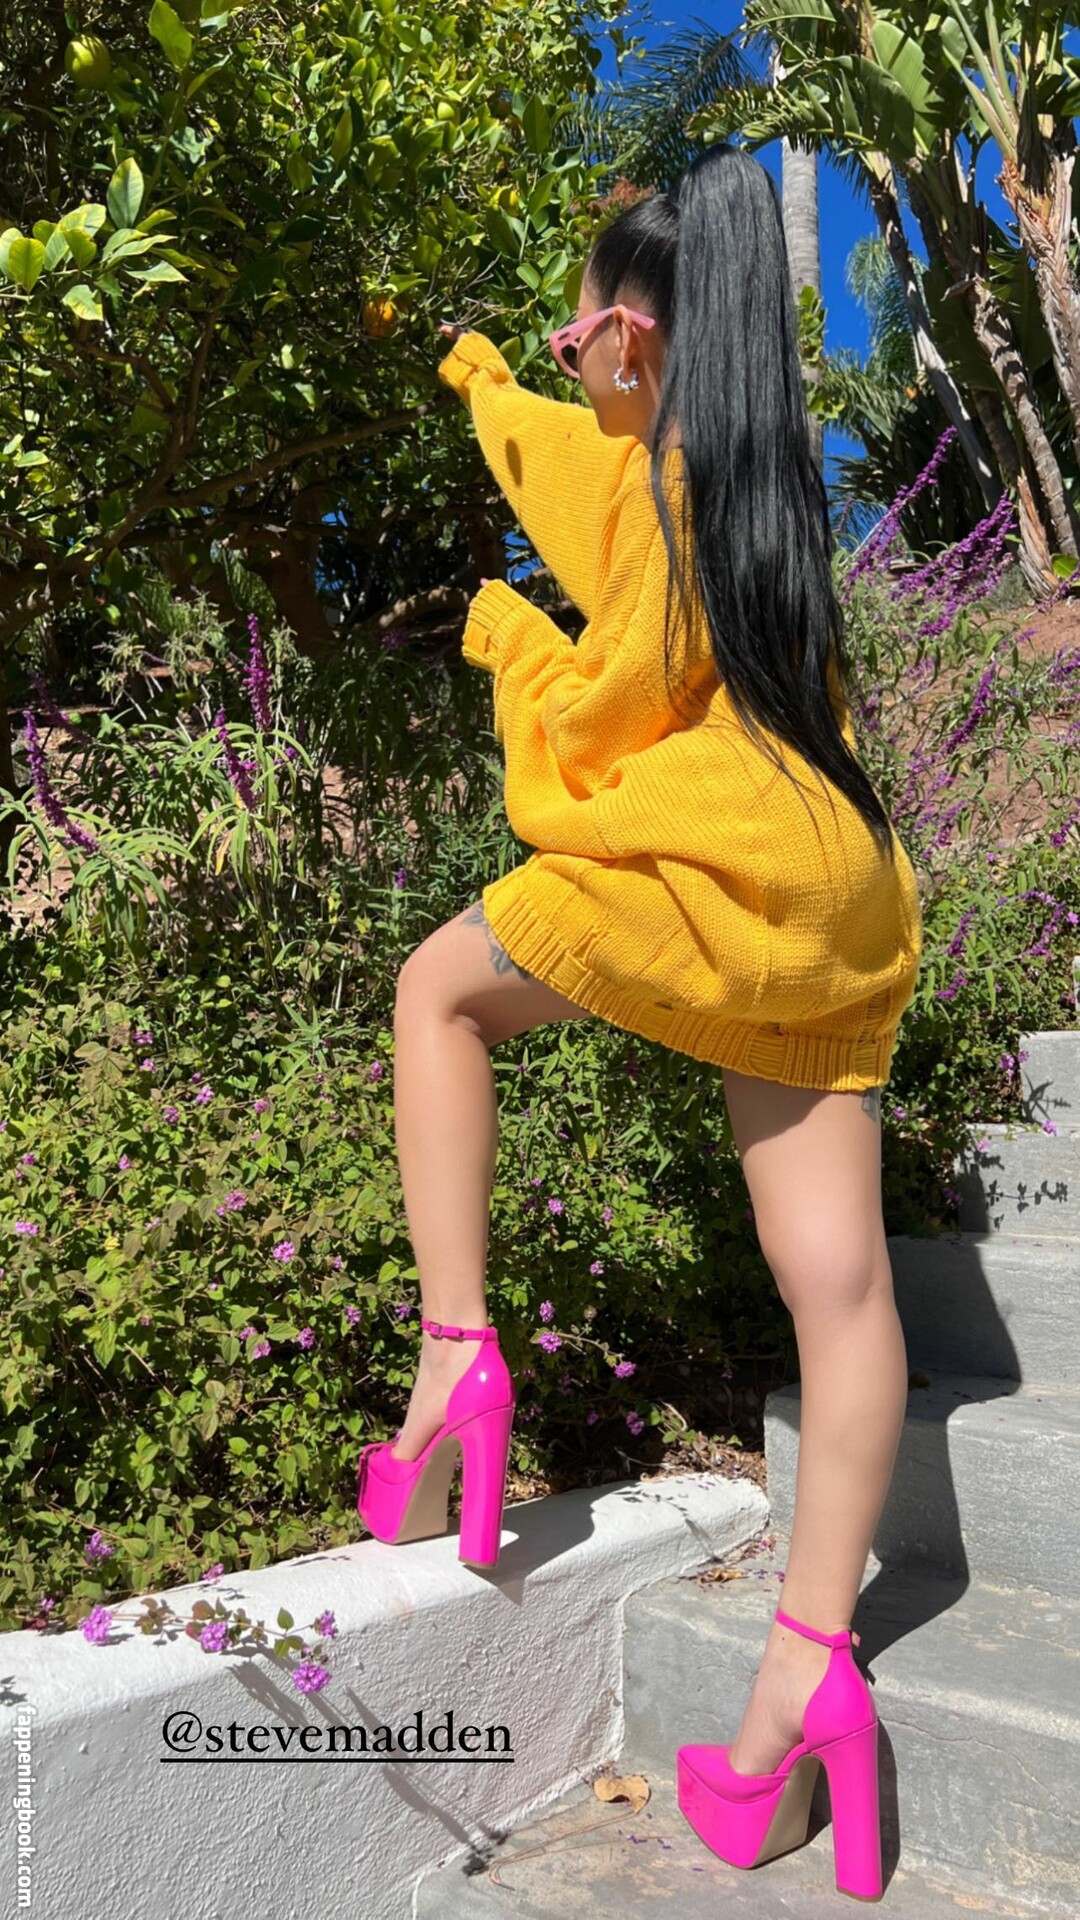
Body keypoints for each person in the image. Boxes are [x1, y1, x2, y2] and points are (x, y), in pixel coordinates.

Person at [357, 142, 922, 1896]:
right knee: (841, 1286)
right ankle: (805, 1678)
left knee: (437, 992)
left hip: (716, 867)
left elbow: (606, 702)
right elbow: (564, 457)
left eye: (578, 328)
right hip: (836, 883)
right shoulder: (754, 481)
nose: (569, 354)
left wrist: (507, 645)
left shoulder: (674, 489)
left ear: (637, 337)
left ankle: (458, 1352)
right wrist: (487, 381)